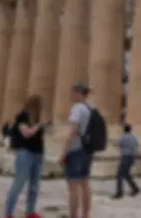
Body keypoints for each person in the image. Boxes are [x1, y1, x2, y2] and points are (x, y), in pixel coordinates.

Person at [4, 95, 46, 218]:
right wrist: (39, 126)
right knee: (19, 181)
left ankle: (30, 211)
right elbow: (27, 133)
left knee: (34, 183)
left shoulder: (36, 119)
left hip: (37, 152)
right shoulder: (22, 116)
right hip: (24, 152)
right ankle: (8, 212)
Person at [59, 82, 94, 218]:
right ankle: (85, 215)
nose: (71, 96)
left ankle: (73, 215)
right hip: (87, 149)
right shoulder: (91, 108)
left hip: (76, 150)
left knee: (73, 186)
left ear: (78, 93)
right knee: (84, 184)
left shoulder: (77, 108)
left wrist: (64, 153)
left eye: (72, 93)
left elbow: (73, 131)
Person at [112, 124, 140, 199]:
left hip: (125, 156)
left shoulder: (122, 137)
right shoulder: (134, 137)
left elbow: (118, 144)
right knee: (126, 174)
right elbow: (137, 145)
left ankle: (119, 192)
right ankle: (135, 188)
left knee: (119, 175)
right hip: (132, 156)